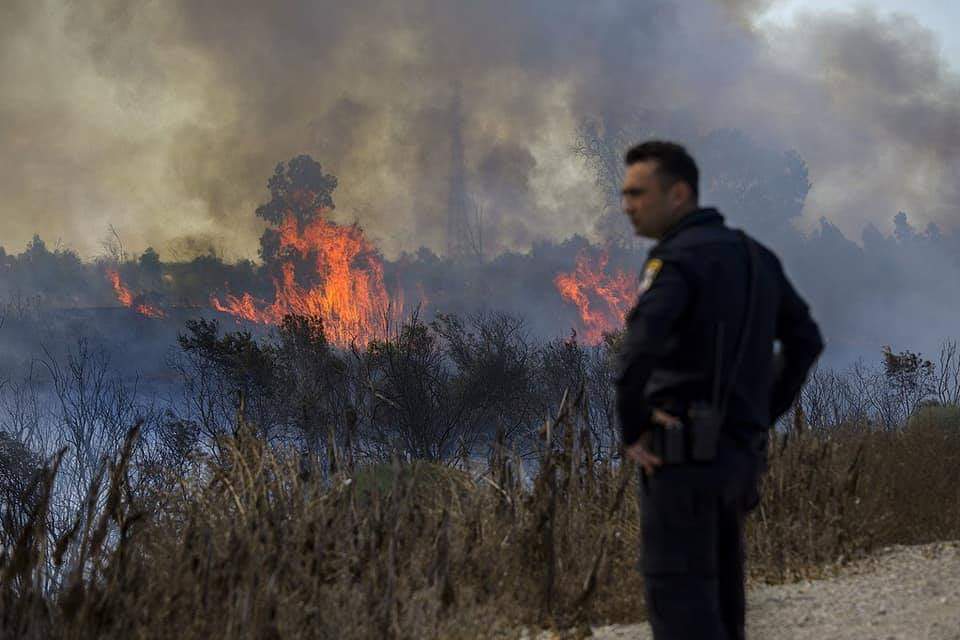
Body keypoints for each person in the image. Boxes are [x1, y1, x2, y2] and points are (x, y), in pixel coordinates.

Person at [615, 141, 824, 639]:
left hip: (682, 461)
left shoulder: (676, 263)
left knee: (681, 603)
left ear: (679, 194)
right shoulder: (756, 258)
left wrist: (635, 427)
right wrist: (758, 414)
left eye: (638, 193)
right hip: (737, 458)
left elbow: (635, 356)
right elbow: (806, 340)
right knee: (725, 601)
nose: (627, 205)